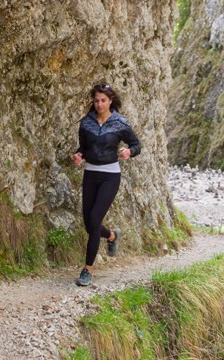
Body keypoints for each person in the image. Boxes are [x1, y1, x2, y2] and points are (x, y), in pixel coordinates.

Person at [71, 83, 141, 286]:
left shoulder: (120, 123)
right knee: (89, 224)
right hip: (90, 174)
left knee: (94, 219)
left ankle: (87, 270)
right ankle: (111, 235)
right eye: (96, 101)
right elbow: (83, 147)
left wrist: (129, 152)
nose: (99, 104)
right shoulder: (86, 123)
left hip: (110, 176)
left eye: (103, 100)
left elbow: (136, 145)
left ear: (110, 101)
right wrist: (79, 156)